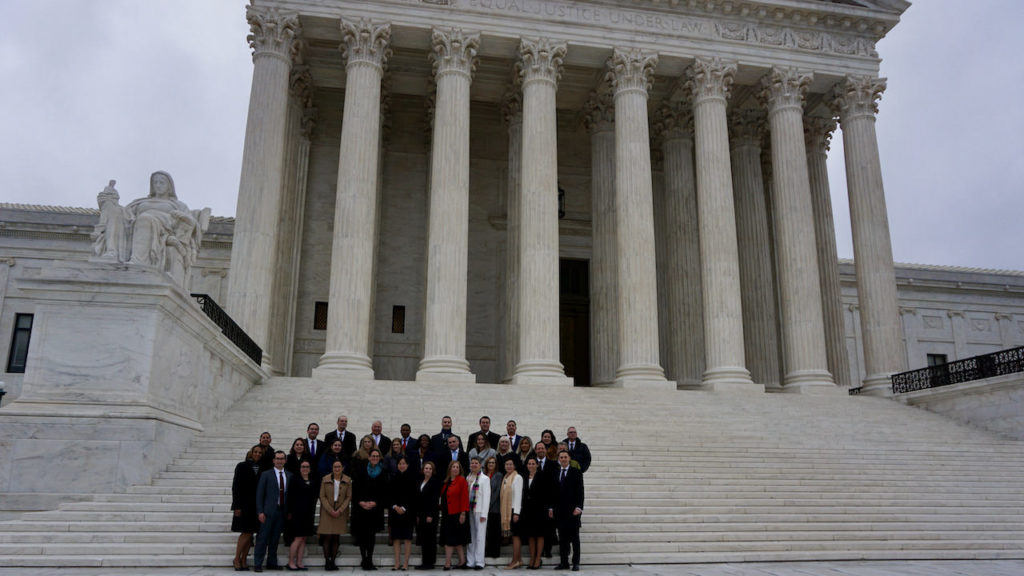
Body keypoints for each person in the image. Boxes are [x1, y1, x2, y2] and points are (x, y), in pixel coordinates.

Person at [254, 450, 290, 572]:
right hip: (268, 512)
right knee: (262, 538)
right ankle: (258, 563)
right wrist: (260, 512)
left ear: (285, 460)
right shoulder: (266, 474)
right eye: (277, 458)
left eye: (282, 458)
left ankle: (272, 562)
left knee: (275, 539)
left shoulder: (289, 475)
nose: (280, 461)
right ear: (273, 460)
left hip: (281, 512)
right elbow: (259, 494)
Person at [352, 448, 388, 570]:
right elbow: (356, 488)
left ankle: (370, 559)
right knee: (362, 535)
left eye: (377, 456)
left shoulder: (383, 471)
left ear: (379, 458)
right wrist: (361, 502)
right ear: (369, 457)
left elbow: (384, 491)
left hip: (375, 509)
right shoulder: (361, 470)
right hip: (361, 508)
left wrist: (375, 503)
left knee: (371, 536)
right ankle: (364, 559)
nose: (375, 458)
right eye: (373, 456)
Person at [231, 444, 264, 571]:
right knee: (245, 532)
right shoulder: (242, 466)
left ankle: (244, 559)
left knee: (250, 534)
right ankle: (236, 558)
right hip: (244, 505)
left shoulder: (262, 468)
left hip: (256, 505)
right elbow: (236, 486)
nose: (257, 454)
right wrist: (237, 506)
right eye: (255, 452)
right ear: (251, 452)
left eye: (260, 453)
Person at [549, 451, 584, 571]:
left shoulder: (576, 472)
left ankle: (576, 563)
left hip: (573, 511)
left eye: (565, 457)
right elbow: (552, 493)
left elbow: (580, 491)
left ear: (569, 458)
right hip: (559, 511)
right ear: (558, 459)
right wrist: (551, 507)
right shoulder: (555, 472)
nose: (563, 459)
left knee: (575, 538)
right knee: (562, 539)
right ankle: (564, 562)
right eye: (561, 457)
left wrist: (579, 507)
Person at [318, 459, 352, 572]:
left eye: (339, 467)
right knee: (327, 537)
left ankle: (333, 561)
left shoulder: (347, 480)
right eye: (335, 467)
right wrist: (330, 509)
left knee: (336, 537)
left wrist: (340, 510)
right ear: (332, 468)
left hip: (340, 513)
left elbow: (348, 497)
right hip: (327, 513)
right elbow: (322, 496)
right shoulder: (325, 479)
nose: (337, 469)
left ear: (343, 468)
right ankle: (327, 562)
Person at [285, 461, 317, 571]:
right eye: (303, 467)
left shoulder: (312, 481)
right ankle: (290, 562)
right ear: (300, 468)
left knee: (304, 538)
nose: (305, 468)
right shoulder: (294, 479)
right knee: (298, 538)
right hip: (297, 513)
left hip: (308, 513)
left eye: (307, 467)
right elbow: (290, 496)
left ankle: (299, 562)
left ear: (310, 468)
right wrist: (290, 512)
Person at [520, 457, 551, 569]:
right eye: (529, 463)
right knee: (530, 535)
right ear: (527, 465)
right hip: (527, 510)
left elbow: (547, 493)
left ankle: (538, 558)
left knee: (539, 534)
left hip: (540, 510)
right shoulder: (523, 477)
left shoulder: (542, 476)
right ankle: (532, 558)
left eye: (533, 463)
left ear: (537, 465)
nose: (531, 465)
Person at [439, 460, 470, 570]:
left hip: (456, 514)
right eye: (453, 467)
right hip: (447, 514)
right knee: (456, 540)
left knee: (450, 540)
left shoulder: (462, 481)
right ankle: (462, 561)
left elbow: (464, 497)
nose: (455, 469)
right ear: (450, 469)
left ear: (460, 469)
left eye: (457, 467)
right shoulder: (446, 481)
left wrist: (463, 513)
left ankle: (447, 563)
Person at [389, 456, 417, 571]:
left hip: (408, 513)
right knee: (396, 538)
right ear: (397, 465)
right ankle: (397, 563)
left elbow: (413, 496)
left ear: (407, 465)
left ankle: (405, 563)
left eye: (404, 463)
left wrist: (404, 508)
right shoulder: (393, 477)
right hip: (395, 512)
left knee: (407, 539)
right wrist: (395, 507)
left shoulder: (412, 478)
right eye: (400, 463)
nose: (401, 465)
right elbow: (389, 495)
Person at [414, 461, 442, 570]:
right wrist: (417, 515)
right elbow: (418, 499)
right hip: (421, 514)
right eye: (426, 468)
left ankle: (430, 562)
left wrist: (430, 515)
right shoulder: (420, 481)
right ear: (423, 469)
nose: (428, 470)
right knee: (424, 538)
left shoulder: (435, 482)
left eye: (430, 469)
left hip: (430, 515)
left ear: (432, 470)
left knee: (430, 539)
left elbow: (434, 500)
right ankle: (425, 561)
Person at [465, 458, 491, 569]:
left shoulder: (484, 479)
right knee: (471, 537)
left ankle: (480, 562)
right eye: (472, 463)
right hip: (469, 510)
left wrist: (484, 514)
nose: (474, 465)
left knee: (480, 537)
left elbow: (487, 497)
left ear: (480, 465)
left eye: (476, 463)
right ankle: (470, 561)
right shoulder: (468, 477)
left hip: (479, 510)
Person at [499, 458, 523, 569]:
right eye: (506, 464)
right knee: (514, 536)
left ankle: (515, 560)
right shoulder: (505, 477)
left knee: (516, 537)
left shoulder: (517, 477)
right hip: (507, 510)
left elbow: (518, 496)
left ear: (514, 466)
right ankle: (519, 560)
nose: (508, 466)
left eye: (510, 464)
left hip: (514, 510)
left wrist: (516, 513)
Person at [482, 456, 504, 560]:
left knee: (495, 530)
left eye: (493, 462)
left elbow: (497, 492)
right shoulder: (483, 475)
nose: (491, 464)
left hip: (494, 507)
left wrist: (488, 504)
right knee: (487, 531)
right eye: (489, 463)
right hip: (484, 508)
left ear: (496, 464)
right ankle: (488, 550)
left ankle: (495, 551)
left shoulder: (498, 475)